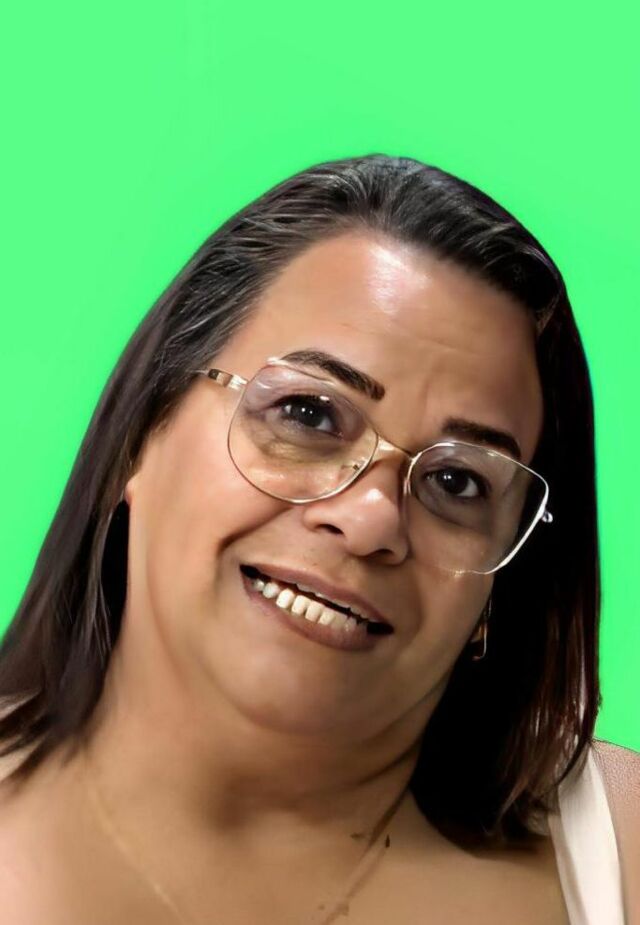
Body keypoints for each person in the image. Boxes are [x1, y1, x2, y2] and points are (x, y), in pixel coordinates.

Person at [0, 154, 637, 925]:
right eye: (308, 414)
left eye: (457, 481)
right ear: (142, 433)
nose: (371, 518)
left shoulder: (619, 848)